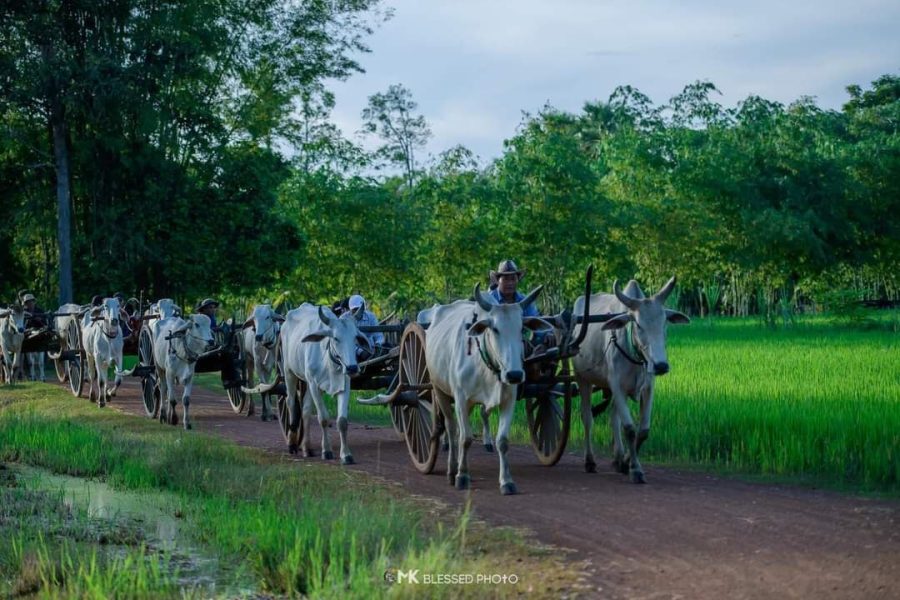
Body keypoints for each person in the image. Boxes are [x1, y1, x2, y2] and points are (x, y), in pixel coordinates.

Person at [348, 294, 384, 359]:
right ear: (350, 309)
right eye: (355, 309)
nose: (358, 311)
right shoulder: (343, 319)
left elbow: (378, 335)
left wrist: (378, 344)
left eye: (360, 309)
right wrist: (360, 352)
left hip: (372, 349)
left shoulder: (371, 317)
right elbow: (346, 343)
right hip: (352, 353)